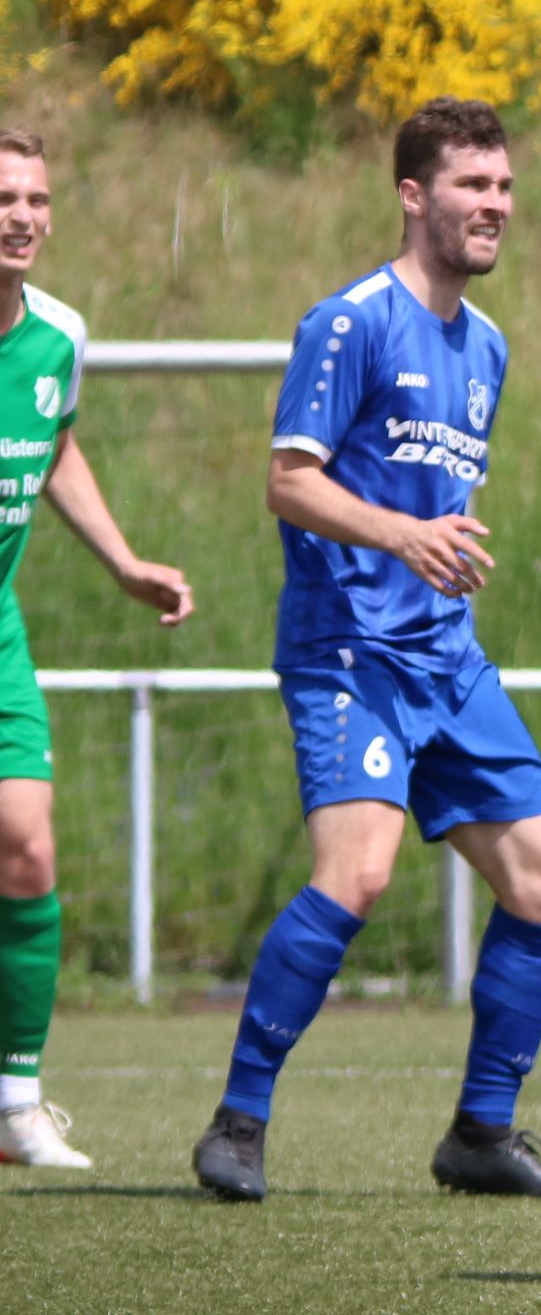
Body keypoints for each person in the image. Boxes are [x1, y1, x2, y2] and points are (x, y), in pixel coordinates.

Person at [192, 99, 541, 1203]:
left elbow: (443, 499)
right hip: (348, 650)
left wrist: (439, 546)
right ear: (414, 195)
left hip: (446, 660)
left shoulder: (489, 346)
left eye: (503, 186)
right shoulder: (351, 321)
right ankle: (238, 1121)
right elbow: (290, 482)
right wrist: (404, 536)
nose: (495, 205)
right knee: (358, 874)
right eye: (472, 185)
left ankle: (482, 1134)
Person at [0, 128, 193, 1171]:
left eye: (35, 198)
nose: (22, 216)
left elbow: (57, 444)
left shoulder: (59, 335)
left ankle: (13, 1103)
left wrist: (121, 561)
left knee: (27, 848)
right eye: (4, 198)